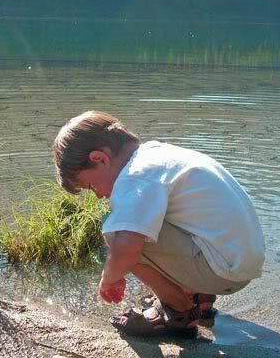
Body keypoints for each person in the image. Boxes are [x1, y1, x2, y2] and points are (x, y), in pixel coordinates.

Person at [53, 111, 265, 337]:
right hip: (241, 263)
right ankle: (197, 296)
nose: (98, 195)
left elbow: (125, 249)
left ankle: (179, 311)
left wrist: (109, 278)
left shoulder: (135, 176)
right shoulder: (157, 154)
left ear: (100, 158)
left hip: (222, 272)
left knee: (116, 231)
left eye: (91, 186)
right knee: (147, 219)